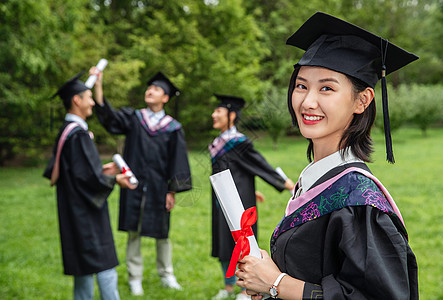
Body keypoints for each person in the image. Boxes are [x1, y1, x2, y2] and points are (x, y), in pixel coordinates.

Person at [234, 12, 419, 300]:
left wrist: (276, 283)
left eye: (327, 88)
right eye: (301, 85)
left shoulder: (358, 203)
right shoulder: (316, 179)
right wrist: (265, 276)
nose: (308, 101)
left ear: (362, 100)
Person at [90, 68, 192, 296]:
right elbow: (108, 116)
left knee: (162, 233)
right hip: (134, 185)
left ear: (165, 98)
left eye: (156, 89)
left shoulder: (172, 127)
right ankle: (135, 277)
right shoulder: (135, 119)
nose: (150, 91)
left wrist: (172, 191)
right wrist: (98, 84)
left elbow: (178, 161)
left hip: (159, 187)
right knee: (133, 231)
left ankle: (167, 274)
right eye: (149, 88)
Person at [43, 72, 137, 300]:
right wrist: (115, 179)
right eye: (88, 97)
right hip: (87, 213)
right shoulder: (78, 135)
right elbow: (87, 179)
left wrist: (100, 170)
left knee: (83, 267)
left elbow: (77, 173)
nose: (92, 102)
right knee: (103, 261)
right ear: (76, 100)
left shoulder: (67, 131)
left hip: (74, 209)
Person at [209, 94, 295, 300]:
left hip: (240, 201)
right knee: (223, 242)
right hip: (221, 200)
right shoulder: (218, 142)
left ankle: (245, 289)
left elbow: (258, 164)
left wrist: (284, 183)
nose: (213, 114)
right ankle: (228, 287)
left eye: (218, 111)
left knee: (242, 244)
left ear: (231, 116)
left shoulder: (238, 142)